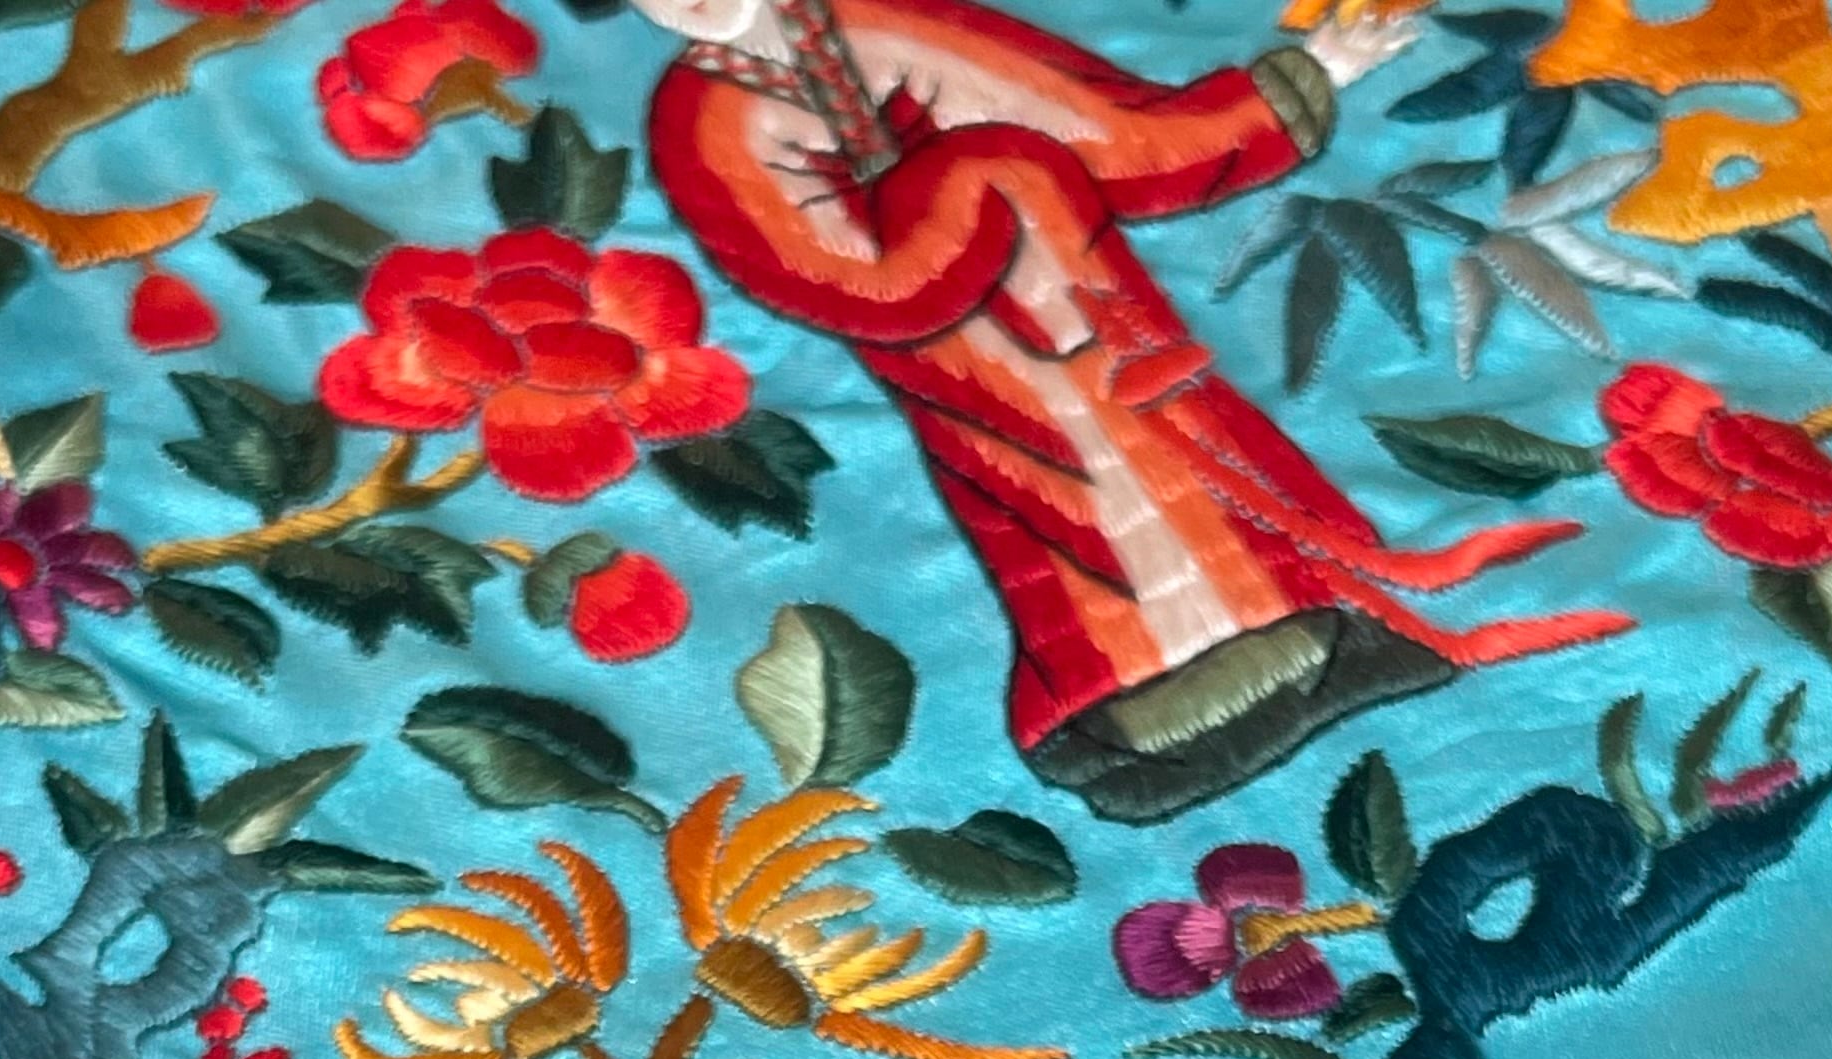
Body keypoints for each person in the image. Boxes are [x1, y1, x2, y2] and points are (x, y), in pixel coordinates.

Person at [631, 0, 1632, 822]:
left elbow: (1101, 128)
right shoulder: (704, 122)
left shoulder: (883, 21)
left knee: (1182, 453)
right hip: (960, 368)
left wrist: (1303, 79)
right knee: (1055, 507)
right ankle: (1138, 714)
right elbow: (841, 277)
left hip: (1077, 291)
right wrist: (972, 185)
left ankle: (1312, 637)